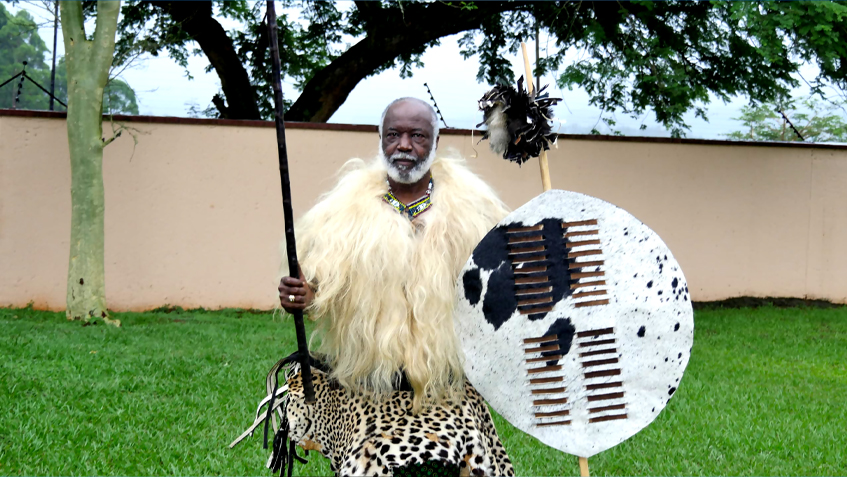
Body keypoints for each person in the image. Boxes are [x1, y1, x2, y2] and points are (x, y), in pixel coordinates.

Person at [266, 97, 514, 476]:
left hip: (446, 388)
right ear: (380, 138)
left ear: (435, 141)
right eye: (393, 135)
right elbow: (318, 285)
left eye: (417, 136)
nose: (404, 145)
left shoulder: (473, 208)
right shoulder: (345, 209)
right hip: (370, 389)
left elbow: (507, 281)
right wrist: (304, 296)